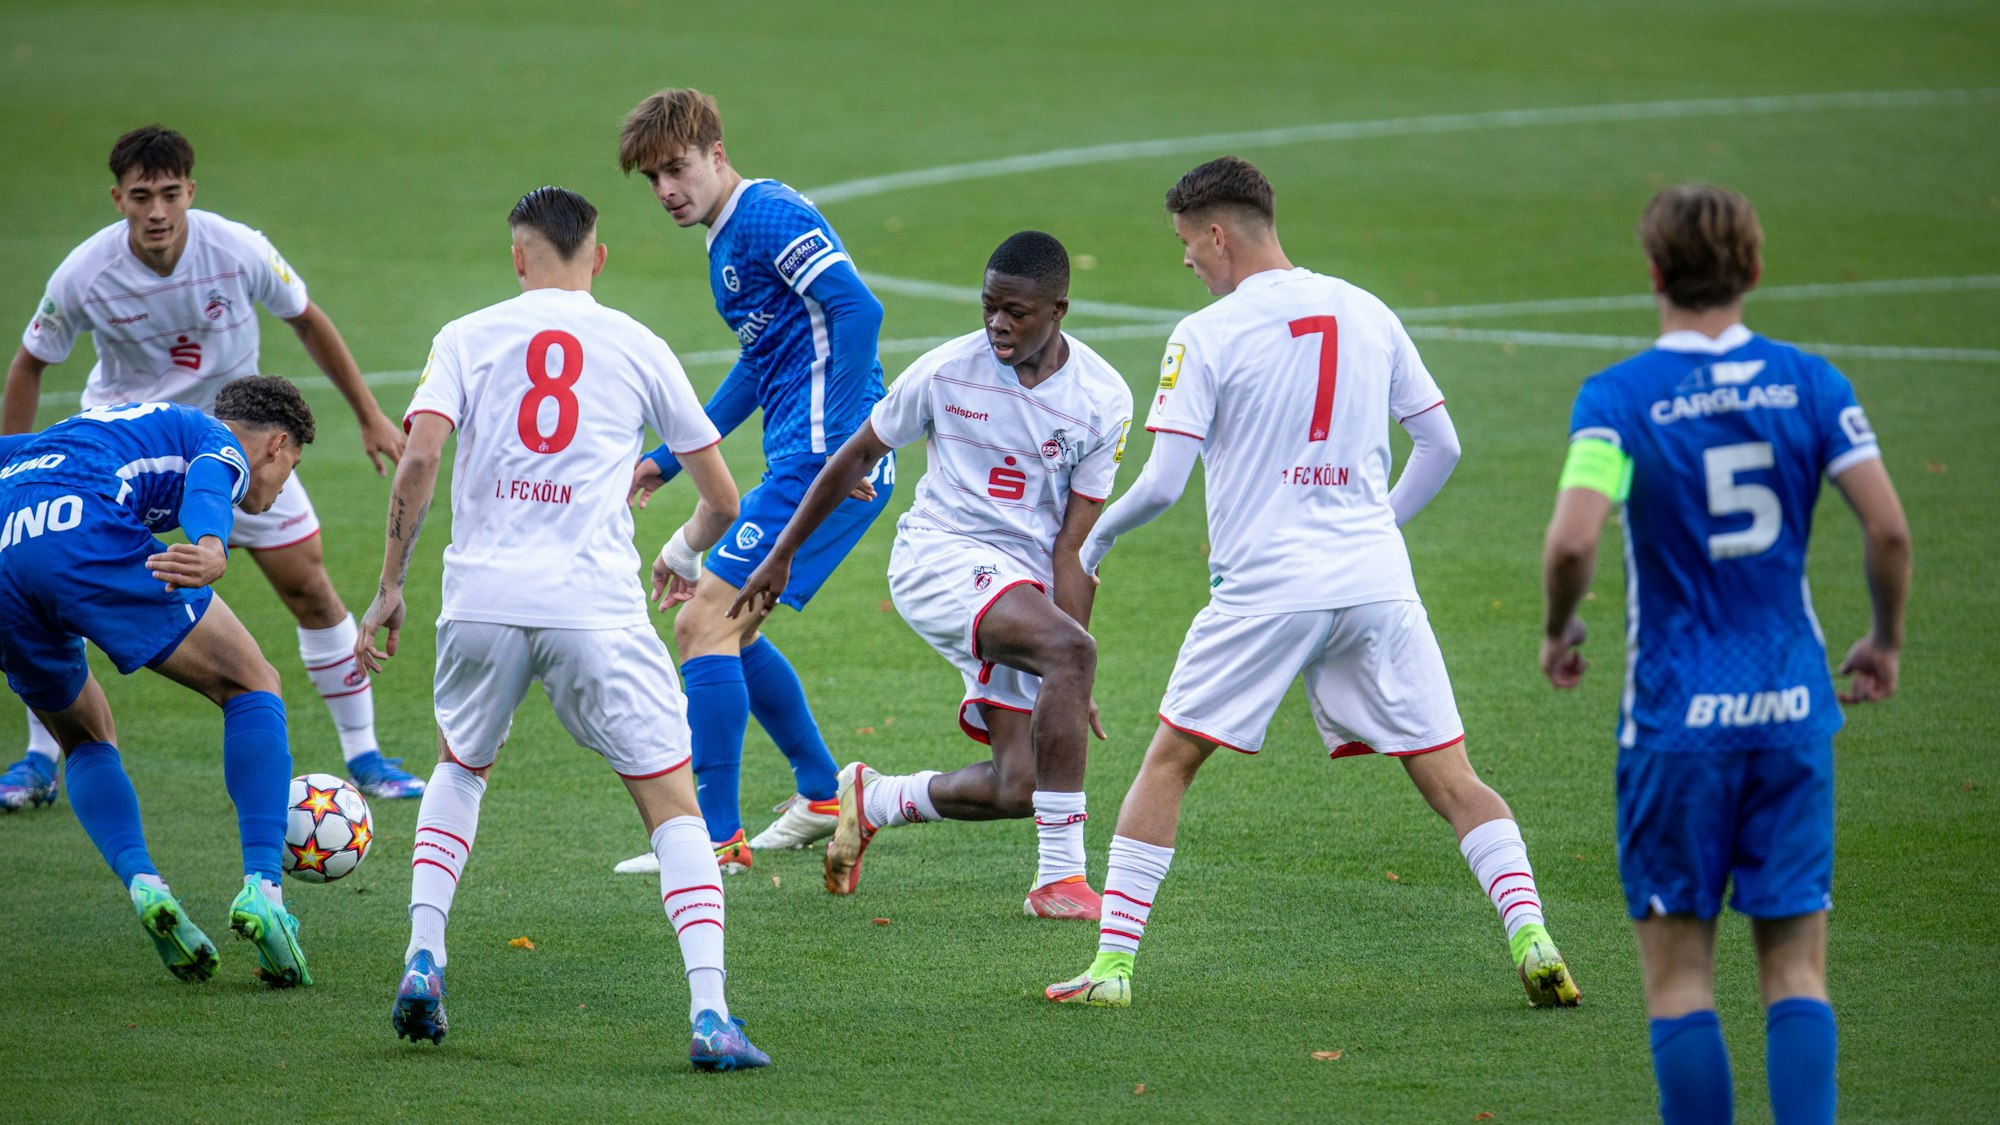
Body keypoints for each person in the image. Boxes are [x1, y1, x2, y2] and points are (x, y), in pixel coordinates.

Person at [1047, 156, 1580, 1008]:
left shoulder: (1208, 333)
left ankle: (1111, 969)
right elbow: (1442, 447)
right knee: (1453, 777)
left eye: (1187, 242)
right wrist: (1371, 527)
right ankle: (1534, 935)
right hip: (1376, 582)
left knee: (1169, 763)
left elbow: (1161, 483)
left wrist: (1092, 546)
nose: (1185, 259)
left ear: (1217, 234)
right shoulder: (1368, 309)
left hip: (1267, 588)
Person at [356, 186, 767, 1070]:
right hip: (594, 608)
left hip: (481, 602)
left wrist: (390, 585)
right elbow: (723, 496)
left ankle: (424, 954)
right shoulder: (637, 343)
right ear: (598, 257)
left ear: (518, 257)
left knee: (459, 767)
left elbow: (420, 457)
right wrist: (686, 552)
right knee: (671, 803)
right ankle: (710, 1014)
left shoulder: (465, 336)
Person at [1539, 184, 1909, 1124]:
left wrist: (1560, 625)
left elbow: (1575, 541)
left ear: (1655, 273)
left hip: (1675, 721)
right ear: (1752, 270)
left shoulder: (1617, 401)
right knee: (1795, 971)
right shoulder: (1813, 385)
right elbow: (1890, 530)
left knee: (1680, 983)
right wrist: (1884, 637)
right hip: (1790, 708)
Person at [0, 125, 423, 812]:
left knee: (309, 583)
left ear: (191, 191)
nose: (158, 211)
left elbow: (307, 318)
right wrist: (18, 481)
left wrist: (370, 413)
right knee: (56, 584)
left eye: (171, 194)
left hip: (241, 446)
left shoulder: (237, 249)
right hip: (124, 455)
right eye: (142, 196)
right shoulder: (83, 273)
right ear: (118, 199)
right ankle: (38, 758)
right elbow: (30, 362)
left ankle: (366, 754)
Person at [733, 231, 1132, 919]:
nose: (997, 324)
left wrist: (1067, 670)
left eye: (1016, 311)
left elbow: (1073, 545)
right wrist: (783, 552)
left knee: (1020, 786)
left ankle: (874, 798)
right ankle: (1061, 879)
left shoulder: (1102, 398)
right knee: (1071, 652)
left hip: (1023, 583)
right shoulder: (947, 371)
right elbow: (854, 456)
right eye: (988, 306)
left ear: (1058, 309)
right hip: (938, 558)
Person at [611, 88, 896, 876]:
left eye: (677, 169)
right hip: (809, 460)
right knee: (734, 630)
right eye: (653, 179)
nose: (667, 190)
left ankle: (714, 840)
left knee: (702, 625)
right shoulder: (727, 237)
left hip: (823, 464)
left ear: (716, 154)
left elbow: (858, 309)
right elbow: (761, 360)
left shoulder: (766, 216)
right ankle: (822, 796)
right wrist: (672, 455)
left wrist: (847, 449)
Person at [0, 378, 317, 987]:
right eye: (291, 468)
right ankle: (264, 890)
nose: (280, 490)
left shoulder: (85, 429)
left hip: (7, 553)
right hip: (81, 531)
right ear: (276, 446)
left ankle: (144, 883)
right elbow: (209, 477)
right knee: (252, 684)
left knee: (86, 737)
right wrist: (211, 544)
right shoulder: (215, 437)